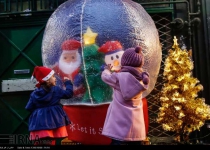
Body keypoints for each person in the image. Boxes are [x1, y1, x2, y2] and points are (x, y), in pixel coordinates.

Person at [100, 46, 150, 145]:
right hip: (135, 127)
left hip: (119, 126)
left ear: (124, 61)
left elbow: (105, 77)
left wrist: (106, 69)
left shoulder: (118, 78)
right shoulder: (142, 79)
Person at [25, 66, 73, 145]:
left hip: (39, 123)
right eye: (53, 77)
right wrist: (68, 83)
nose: (55, 79)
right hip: (54, 122)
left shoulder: (34, 93)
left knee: (40, 142)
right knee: (50, 142)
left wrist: (39, 111)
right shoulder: (56, 90)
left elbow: (28, 107)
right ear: (47, 80)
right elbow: (68, 94)